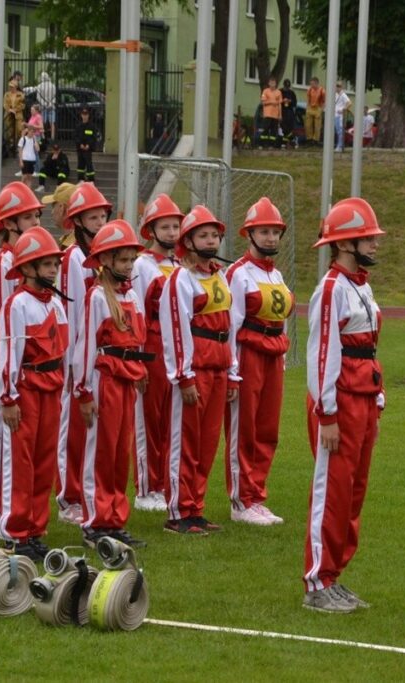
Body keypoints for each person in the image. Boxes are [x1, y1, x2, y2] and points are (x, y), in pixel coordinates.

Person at [303, 196, 385, 613]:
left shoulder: (362, 286)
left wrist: (379, 398)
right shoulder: (332, 289)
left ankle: (334, 576)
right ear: (345, 244)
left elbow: (370, 348)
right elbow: (323, 356)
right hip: (339, 406)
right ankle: (317, 582)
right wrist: (327, 414)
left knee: (353, 494)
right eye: (366, 237)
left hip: (364, 401)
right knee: (331, 493)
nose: (374, 243)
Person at [159, 205, 239, 535]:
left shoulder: (219, 276)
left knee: (206, 444)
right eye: (203, 235)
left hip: (219, 367)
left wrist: (233, 371)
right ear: (188, 241)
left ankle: (196, 508)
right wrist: (183, 374)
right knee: (185, 442)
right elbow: (176, 329)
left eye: (214, 235)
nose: (211, 241)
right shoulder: (180, 279)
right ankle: (179, 512)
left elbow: (230, 326)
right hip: (195, 371)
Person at [75, 220, 150, 548]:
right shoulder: (96, 298)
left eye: (132, 260)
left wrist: (141, 369)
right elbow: (85, 346)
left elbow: (138, 337)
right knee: (100, 452)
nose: (129, 266)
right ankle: (94, 522)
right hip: (103, 380)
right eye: (123, 260)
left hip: (127, 380)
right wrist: (83, 390)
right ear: (105, 261)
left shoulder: (132, 294)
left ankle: (115, 520)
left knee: (121, 452)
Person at [0, 226, 69, 561]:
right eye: (46, 264)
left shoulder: (56, 302)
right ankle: (15, 531)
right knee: (21, 464)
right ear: (27, 268)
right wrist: (9, 398)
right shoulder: (17, 305)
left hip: (52, 389)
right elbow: (10, 354)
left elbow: (63, 349)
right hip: (25, 391)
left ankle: (36, 529)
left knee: (44, 461)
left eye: (55, 263)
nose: (53, 269)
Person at [224, 197, 294, 526]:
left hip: (272, 356)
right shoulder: (237, 274)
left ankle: (257, 495)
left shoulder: (277, 275)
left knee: (267, 429)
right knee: (244, 429)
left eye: (275, 232)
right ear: (249, 235)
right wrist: (233, 372)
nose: (270, 238)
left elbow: (281, 320)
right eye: (263, 231)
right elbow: (231, 324)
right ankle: (241, 500)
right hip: (247, 355)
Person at [0, 182, 45, 535]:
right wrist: (1, 372)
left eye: (37, 214)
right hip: (7, 371)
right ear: (10, 223)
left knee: (24, 450)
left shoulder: (26, 262)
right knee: (2, 447)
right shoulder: (2, 263)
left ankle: (20, 514)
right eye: (29, 215)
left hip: (28, 372)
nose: (36, 220)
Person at [55, 182, 112, 527]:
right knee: (73, 427)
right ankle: (69, 497)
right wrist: (76, 361)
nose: (100, 221)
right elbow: (73, 311)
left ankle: (90, 492)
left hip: (103, 355)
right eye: (93, 216)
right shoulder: (74, 259)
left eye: (103, 215)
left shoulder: (107, 257)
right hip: (79, 353)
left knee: (94, 429)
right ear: (77, 220)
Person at [130, 194, 183, 512]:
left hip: (174, 349)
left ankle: (164, 483)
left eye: (176, 226)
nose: (173, 233)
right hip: (150, 346)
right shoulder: (141, 265)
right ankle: (146, 488)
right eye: (165, 226)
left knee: (169, 420)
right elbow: (135, 312)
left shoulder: (178, 265)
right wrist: (138, 361)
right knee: (148, 419)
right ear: (151, 229)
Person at [23, 71, 56, 141]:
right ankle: (53, 137)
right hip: (51, 106)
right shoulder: (53, 86)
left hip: (43, 106)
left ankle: (43, 136)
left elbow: (38, 97)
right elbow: (55, 97)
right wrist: (50, 103)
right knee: (52, 122)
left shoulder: (40, 86)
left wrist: (44, 103)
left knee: (42, 122)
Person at [74, 108, 97, 182]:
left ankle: (91, 180)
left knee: (88, 163)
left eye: (86, 114)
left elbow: (93, 137)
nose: (85, 116)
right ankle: (81, 179)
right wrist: (80, 144)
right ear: (81, 115)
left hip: (88, 149)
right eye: (83, 114)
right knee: (80, 164)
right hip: (80, 148)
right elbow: (76, 137)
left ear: (88, 115)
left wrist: (88, 145)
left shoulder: (92, 126)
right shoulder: (78, 126)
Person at [3, 80, 25, 156]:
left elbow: (22, 105)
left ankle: (18, 145)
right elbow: (5, 104)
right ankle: (11, 145)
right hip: (9, 114)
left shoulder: (20, 95)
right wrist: (9, 110)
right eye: (10, 86)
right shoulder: (7, 94)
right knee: (9, 131)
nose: (11, 88)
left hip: (18, 114)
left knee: (19, 129)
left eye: (12, 87)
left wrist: (15, 110)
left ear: (16, 87)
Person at [260, 77, 283, 148]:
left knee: (274, 130)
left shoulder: (279, 92)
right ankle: (262, 144)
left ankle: (271, 145)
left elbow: (279, 104)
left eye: (274, 83)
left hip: (275, 115)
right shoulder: (265, 91)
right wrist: (271, 102)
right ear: (269, 83)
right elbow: (263, 102)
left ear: (276, 84)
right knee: (265, 129)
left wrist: (280, 115)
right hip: (267, 114)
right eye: (271, 82)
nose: (272, 84)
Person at [305, 77, 325, 144]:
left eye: (313, 84)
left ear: (316, 83)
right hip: (311, 107)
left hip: (318, 107)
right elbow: (308, 99)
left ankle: (316, 140)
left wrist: (321, 109)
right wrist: (307, 107)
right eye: (311, 84)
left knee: (317, 126)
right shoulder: (310, 90)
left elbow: (324, 101)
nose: (311, 85)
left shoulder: (322, 90)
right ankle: (309, 138)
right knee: (308, 124)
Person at [333, 82, 350, 152]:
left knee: (340, 131)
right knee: (337, 131)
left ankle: (340, 146)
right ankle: (338, 145)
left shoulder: (343, 95)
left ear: (341, 87)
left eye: (338, 86)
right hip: (335, 115)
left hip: (339, 116)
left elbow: (349, 103)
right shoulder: (336, 94)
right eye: (337, 86)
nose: (337, 88)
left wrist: (344, 109)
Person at [281, 79, 297, 147]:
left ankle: (287, 143)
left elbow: (295, 103)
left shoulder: (292, 93)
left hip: (290, 112)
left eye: (288, 87)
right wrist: (283, 101)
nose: (286, 88)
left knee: (289, 128)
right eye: (285, 86)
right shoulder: (280, 91)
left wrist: (290, 101)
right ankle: (291, 140)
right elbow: (277, 101)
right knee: (284, 128)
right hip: (282, 111)